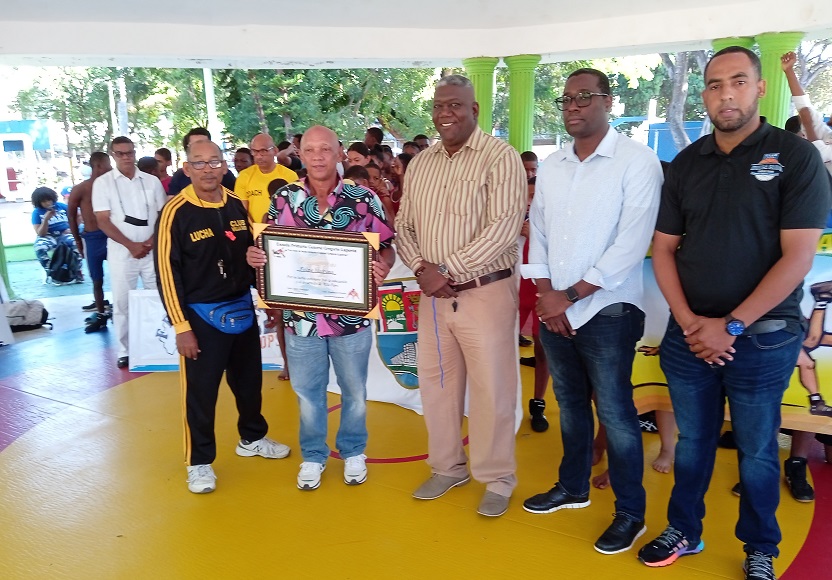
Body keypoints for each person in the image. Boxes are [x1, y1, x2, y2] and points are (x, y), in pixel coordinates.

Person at [636, 47, 831, 580]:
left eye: (738, 81)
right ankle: (684, 530)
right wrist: (690, 323)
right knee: (693, 443)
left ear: (760, 88)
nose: (726, 94)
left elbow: (798, 257)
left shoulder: (795, 156)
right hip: (690, 337)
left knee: (758, 450)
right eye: (715, 84)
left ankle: (760, 547)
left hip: (763, 338)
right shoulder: (687, 164)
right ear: (704, 93)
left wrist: (733, 325)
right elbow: (664, 249)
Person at [520, 68, 662, 555]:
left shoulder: (637, 161)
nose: (573, 106)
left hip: (609, 309)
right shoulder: (553, 165)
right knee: (571, 405)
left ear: (608, 102)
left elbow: (632, 242)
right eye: (566, 99)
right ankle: (573, 487)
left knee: (617, 415)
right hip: (557, 307)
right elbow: (538, 231)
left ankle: (631, 514)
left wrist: (572, 295)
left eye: (584, 96)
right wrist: (546, 294)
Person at [395, 75, 527, 518]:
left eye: (454, 105)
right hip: (434, 296)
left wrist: (447, 270)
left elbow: (503, 227)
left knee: (492, 390)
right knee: (437, 385)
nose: (445, 113)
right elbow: (404, 226)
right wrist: (421, 269)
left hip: (485, 292)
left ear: (474, 110)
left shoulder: (501, 157)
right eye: (438, 105)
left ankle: (497, 477)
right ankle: (447, 467)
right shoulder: (421, 164)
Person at [247, 125, 395, 491]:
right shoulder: (284, 198)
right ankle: (313, 456)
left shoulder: (363, 198)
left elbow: (386, 245)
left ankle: (353, 450)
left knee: (354, 392)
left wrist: (384, 263)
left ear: (339, 152)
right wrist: (256, 257)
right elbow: (269, 246)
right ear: (300, 153)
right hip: (301, 321)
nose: (317, 156)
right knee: (308, 394)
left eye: (325, 149)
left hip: (351, 318)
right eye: (310, 149)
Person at [154, 139, 291, 494]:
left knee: (249, 384)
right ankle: (199, 462)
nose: (208, 169)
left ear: (224, 166)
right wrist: (181, 327)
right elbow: (167, 274)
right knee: (201, 393)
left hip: (241, 309)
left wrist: (266, 298)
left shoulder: (234, 204)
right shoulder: (175, 212)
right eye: (199, 163)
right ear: (187, 169)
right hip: (200, 317)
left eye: (214, 162)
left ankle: (252, 438)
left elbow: (251, 256)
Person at [92, 136, 167, 369]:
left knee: (158, 298)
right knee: (122, 302)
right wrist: (131, 245)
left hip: (151, 250)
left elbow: (163, 215)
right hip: (121, 253)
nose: (126, 157)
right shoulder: (103, 183)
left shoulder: (151, 181)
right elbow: (103, 221)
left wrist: (151, 242)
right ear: (113, 155)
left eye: (130, 153)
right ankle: (125, 350)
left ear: (135, 153)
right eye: (120, 153)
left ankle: (159, 346)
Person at [68, 151, 113, 332]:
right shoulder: (81, 188)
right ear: (99, 166)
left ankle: (122, 310)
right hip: (92, 238)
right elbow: (71, 215)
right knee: (96, 279)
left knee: (121, 275)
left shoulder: (112, 186)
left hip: (112, 236)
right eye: (108, 164)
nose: (111, 168)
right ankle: (101, 314)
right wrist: (78, 241)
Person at [782, 51, 832, 175]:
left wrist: (808, 126)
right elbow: (804, 107)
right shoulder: (827, 134)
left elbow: (820, 154)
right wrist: (789, 70)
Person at [234, 133, 299, 223]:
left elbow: (295, 210)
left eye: (263, 151)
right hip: (254, 229)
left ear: (275, 150)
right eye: (255, 151)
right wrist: (257, 230)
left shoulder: (290, 176)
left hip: (282, 228)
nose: (259, 156)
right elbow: (242, 211)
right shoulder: (244, 176)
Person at [31, 186, 83, 284]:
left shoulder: (61, 206)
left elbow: (78, 215)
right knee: (39, 247)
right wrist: (46, 219)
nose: (48, 203)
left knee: (75, 243)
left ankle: (76, 271)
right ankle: (51, 272)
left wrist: (72, 229)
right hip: (48, 236)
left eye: (49, 200)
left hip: (64, 234)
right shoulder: (37, 212)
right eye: (44, 201)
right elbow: (40, 233)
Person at [168, 128, 237, 196]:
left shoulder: (224, 174)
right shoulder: (179, 177)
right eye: (196, 144)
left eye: (205, 143)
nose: (207, 170)